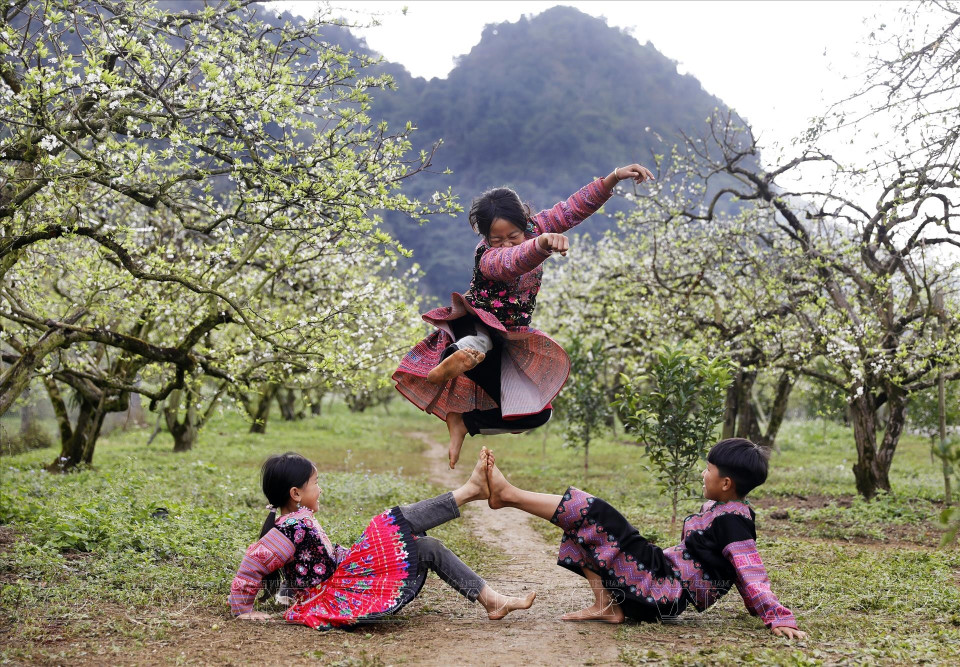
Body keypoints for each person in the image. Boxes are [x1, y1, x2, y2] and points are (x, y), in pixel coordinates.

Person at [393, 165, 655, 469]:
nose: (504, 244)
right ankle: (459, 355)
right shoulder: (488, 257)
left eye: (512, 236)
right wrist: (540, 245)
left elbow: (572, 209)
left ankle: (463, 422)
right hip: (476, 320)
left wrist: (613, 178)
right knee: (478, 339)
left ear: (525, 223)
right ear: (485, 237)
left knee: (535, 413)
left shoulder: (537, 227)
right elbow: (512, 262)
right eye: (496, 238)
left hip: (507, 341)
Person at [482, 438, 807, 638]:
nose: (703, 474)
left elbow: (749, 570)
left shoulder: (735, 520)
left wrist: (774, 614)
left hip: (663, 592)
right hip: (659, 576)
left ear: (726, 483)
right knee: (589, 526)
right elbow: (735, 570)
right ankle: (607, 606)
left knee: (596, 514)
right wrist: (755, 609)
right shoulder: (721, 508)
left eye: (709, 470)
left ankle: (507, 494)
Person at [230, 450, 535, 629]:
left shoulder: (297, 522)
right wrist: (243, 611)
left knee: (425, 546)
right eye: (316, 483)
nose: (320, 489)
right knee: (386, 523)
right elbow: (252, 565)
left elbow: (308, 567)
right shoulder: (288, 528)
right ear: (296, 494)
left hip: (342, 579)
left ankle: (492, 601)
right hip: (332, 598)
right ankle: (470, 491)